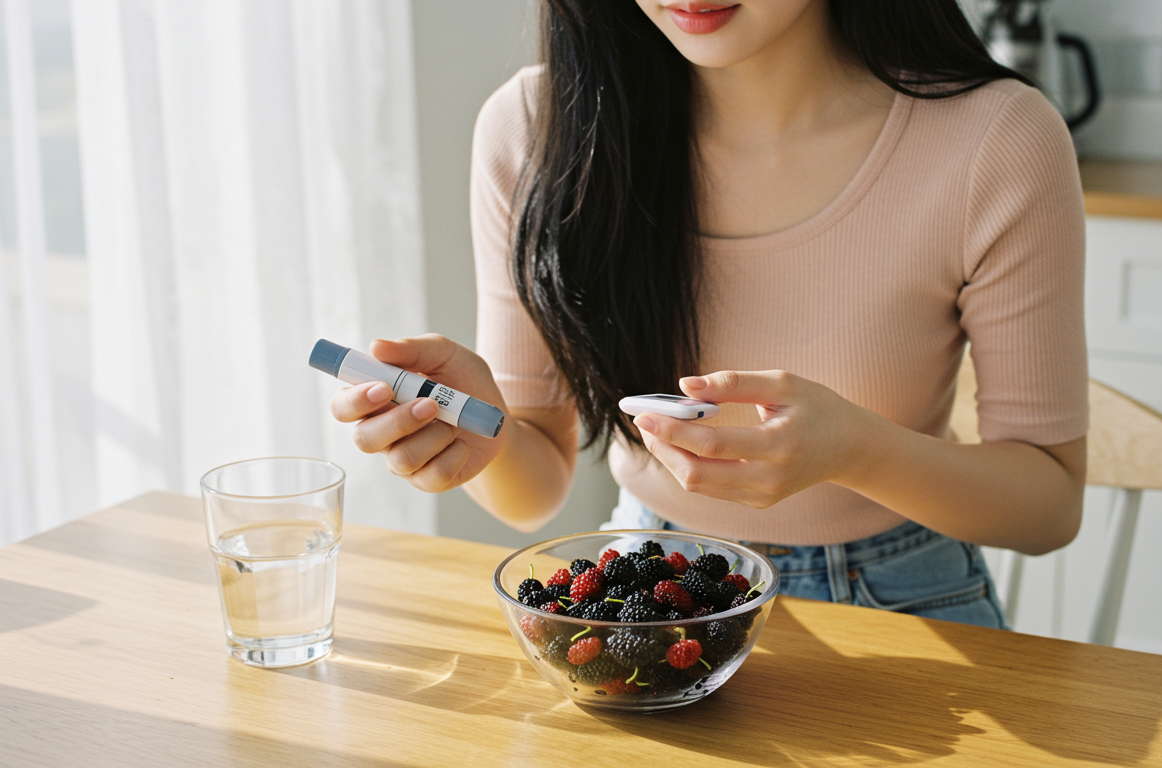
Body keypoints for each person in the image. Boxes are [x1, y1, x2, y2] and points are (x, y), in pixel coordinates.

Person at [330, 0, 1088, 629]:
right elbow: (537, 490)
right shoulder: (535, 131)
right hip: (646, 591)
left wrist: (856, 451)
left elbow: (1048, 505)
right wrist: (475, 431)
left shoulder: (995, 139)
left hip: (904, 598)